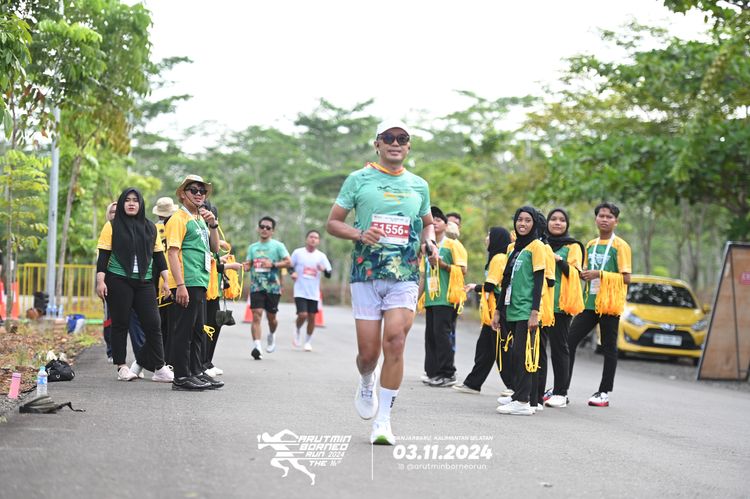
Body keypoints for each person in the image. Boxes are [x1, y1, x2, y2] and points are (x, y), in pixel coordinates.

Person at [326, 119, 436, 445]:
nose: (395, 143)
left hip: (405, 275)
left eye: (402, 138)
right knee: (368, 354)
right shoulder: (358, 180)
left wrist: (430, 242)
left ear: (409, 145)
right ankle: (366, 380)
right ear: (377, 144)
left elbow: (428, 223)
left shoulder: (419, 185)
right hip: (366, 274)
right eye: (388, 138)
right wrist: (360, 234)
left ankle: (383, 421)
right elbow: (333, 223)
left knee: (396, 341)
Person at [95, 188, 173, 383]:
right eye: (127, 200)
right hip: (118, 279)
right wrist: (100, 281)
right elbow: (103, 256)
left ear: (141, 204)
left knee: (153, 323)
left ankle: (160, 367)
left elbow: (159, 256)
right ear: (122, 203)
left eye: (135, 200)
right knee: (120, 323)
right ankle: (121, 366)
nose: (131, 203)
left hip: (145, 282)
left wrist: (166, 281)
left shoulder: (150, 227)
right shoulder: (111, 226)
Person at [567, 202, 631, 407]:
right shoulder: (591, 245)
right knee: (569, 341)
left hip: (610, 304)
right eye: (601, 216)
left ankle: (603, 392)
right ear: (595, 219)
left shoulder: (621, 246)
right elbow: (587, 270)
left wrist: (599, 274)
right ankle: (561, 388)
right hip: (589, 303)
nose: (604, 219)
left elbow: (627, 278)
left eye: (609, 217)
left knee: (608, 348)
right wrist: (585, 274)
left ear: (616, 221)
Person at [165, 175, 222, 391]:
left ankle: (196, 371)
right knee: (184, 331)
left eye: (202, 191)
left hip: (200, 280)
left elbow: (215, 249)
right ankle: (181, 376)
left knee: (198, 330)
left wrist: (213, 224)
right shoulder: (178, 218)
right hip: (186, 281)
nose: (199, 194)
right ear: (182, 194)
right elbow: (172, 253)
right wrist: (180, 285)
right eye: (194, 190)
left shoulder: (199, 219)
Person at [494, 207, 547, 416]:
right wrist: (498, 310)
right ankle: (522, 396)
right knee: (515, 354)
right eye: (519, 220)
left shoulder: (537, 246)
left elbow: (539, 280)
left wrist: (535, 312)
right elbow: (505, 281)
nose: (522, 224)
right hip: (511, 308)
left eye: (527, 220)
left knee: (523, 354)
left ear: (534, 224)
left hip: (527, 309)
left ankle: (523, 401)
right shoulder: (513, 248)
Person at [454, 227, 512, 394]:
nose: (486, 238)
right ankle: (473, 383)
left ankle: (515, 386)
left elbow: (491, 286)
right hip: (490, 313)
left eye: (489, 235)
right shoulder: (497, 257)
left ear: (497, 239)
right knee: (485, 350)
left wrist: (475, 287)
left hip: (498, 311)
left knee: (502, 350)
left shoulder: (498, 258)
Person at [540, 208, 584, 408]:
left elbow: (576, 274)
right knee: (538, 349)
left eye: (562, 220)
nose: (557, 223)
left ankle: (560, 393)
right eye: (553, 219)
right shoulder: (540, 243)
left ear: (567, 224)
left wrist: (558, 260)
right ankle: (536, 390)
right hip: (540, 303)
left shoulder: (573, 246)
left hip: (561, 304)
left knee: (559, 348)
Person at [420, 206, 467, 387]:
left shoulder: (453, 245)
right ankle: (433, 373)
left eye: (438, 220)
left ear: (446, 225)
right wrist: (415, 299)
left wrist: (442, 264)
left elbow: (462, 270)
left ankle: (448, 373)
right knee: (431, 336)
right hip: (431, 299)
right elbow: (423, 276)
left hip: (447, 298)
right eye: (431, 220)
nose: (434, 223)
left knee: (442, 336)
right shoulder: (427, 247)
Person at [243, 216, 291, 359]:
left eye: (268, 228)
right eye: (262, 227)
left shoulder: (278, 246)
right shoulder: (252, 248)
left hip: (273, 287)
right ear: (258, 229)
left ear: (272, 231)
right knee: (256, 314)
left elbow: (288, 262)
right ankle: (257, 347)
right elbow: (249, 264)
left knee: (272, 318)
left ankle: (271, 334)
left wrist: (273, 264)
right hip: (256, 286)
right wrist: (245, 266)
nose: (264, 229)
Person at [290, 230, 332, 351]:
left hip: (313, 292)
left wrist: (324, 270)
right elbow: (290, 266)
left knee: (312, 317)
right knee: (302, 315)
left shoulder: (321, 256)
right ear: (306, 239)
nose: (313, 239)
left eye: (316, 238)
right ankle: (297, 329)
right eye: (311, 237)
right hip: (300, 290)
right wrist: (292, 273)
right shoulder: (298, 253)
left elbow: (329, 273)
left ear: (318, 241)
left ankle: (308, 341)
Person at [152, 196, 178, 357]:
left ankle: (159, 355)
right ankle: (167, 356)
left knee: (158, 320)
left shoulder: (153, 228)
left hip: (155, 275)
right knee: (171, 320)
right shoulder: (175, 226)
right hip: (172, 276)